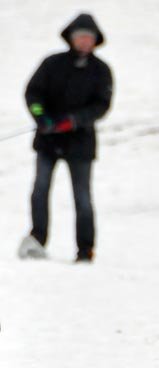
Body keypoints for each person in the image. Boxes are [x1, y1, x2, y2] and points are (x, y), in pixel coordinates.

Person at [17, 13, 113, 263]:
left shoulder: (100, 71)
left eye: (88, 38)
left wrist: (74, 120)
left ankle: (85, 250)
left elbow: (101, 105)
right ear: (71, 38)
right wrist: (42, 118)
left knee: (82, 197)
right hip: (48, 141)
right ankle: (36, 239)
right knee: (40, 190)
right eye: (80, 36)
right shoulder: (52, 64)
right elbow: (33, 94)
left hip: (80, 144)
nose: (84, 41)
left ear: (95, 41)